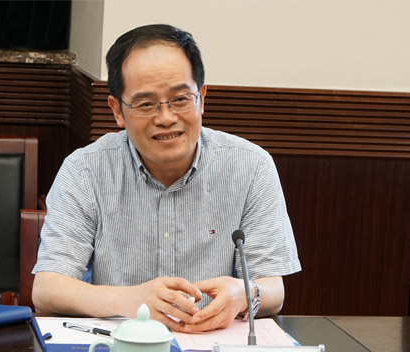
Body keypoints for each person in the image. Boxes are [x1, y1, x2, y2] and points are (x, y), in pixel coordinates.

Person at [32, 24, 300, 332]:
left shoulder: (251, 166)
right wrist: (130, 300)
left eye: (180, 99)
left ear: (201, 98)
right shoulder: (84, 170)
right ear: (117, 111)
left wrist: (245, 293)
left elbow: (273, 290)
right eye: (146, 104)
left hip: (214, 346)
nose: (166, 118)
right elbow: (47, 289)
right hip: (119, 348)